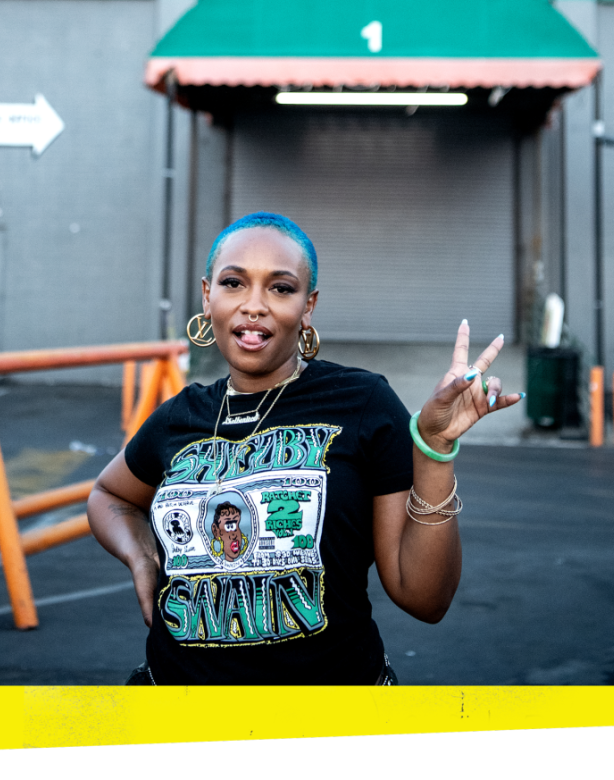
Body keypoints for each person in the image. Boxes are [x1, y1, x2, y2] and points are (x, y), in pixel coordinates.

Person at [88, 211, 523, 685]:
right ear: (208, 295)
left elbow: (424, 598)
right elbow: (110, 495)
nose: (254, 305)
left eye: (280, 288)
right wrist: (140, 554)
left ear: (308, 305)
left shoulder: (363, 404)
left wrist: (435, 448)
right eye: (234, 283)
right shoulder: (179, 416)